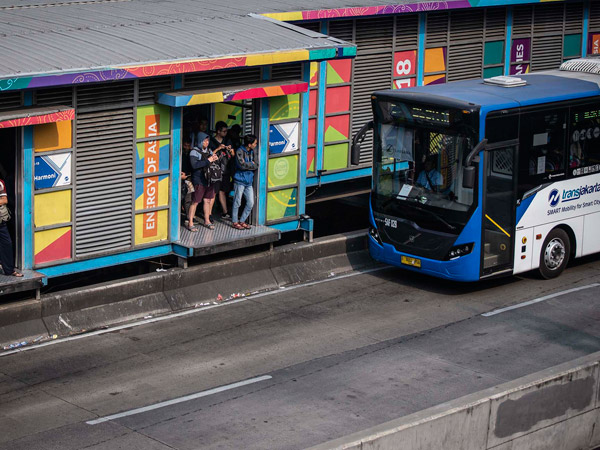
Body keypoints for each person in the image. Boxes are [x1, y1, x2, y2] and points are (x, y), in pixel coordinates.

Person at [187, 132, 219, 231]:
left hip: (209, 179)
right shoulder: (194, 152)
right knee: (195, 201)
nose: (207, 142)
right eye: (205, 140)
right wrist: (208, 161)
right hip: (199, 180)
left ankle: (207, 221)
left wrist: (215, 158)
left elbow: (211, 162)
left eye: (208, 140)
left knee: (207, 200)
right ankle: (191, 223)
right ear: (200, 141)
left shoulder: (209, 151)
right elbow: (194, 165)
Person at [231, 134, 259, 230]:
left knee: (251, 202)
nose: (256, 145)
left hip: (249, 181)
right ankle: (235, 221)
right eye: (255, 143)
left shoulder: (253, 151)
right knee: (237, 202)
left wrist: (249, 164)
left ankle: (242, 220)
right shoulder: (239, 151)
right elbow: (241, 166)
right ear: (249, 144)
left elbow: (257, 165)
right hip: (240, 180)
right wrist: (251, 164)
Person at [210, 121, 235, 220]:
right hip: (215, 170)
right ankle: (209, 213)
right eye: (224, 131)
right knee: (213, 192)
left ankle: (225, 212)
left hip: (225, 170)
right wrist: (218, 148)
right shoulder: (211, 141)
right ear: (218, 131)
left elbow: (233, 155)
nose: (226, 133)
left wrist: (230, 149)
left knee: (222, 191)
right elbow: (209, 155)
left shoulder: (228, 140)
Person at [0, 178, 21, 277]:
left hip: (1, 221)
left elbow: (4, 200)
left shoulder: (0, 182)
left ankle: (9, 270)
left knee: (7, 244)